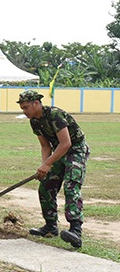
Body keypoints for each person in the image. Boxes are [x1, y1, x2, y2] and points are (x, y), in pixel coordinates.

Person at [17, 90, 90, 248]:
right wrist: (44, 167)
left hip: (75, 149)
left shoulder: (55, 115)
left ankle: (75, 231)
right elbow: (45, 145)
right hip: (58, 151)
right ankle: (50, 227)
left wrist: (48, 164)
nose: (24, 111)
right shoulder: (35, 121)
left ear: (37, 103)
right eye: (22, 108)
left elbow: (66, 143)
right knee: (46, 186)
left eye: (26, 107)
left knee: (71, 186)